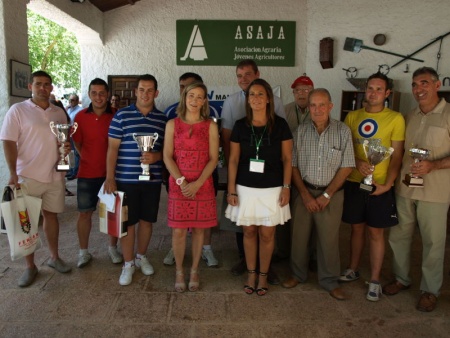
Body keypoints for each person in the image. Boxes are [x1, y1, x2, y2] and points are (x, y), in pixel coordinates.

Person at [385, 67, 450, 312]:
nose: (418, 89)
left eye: (423, 83)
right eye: (414, 84)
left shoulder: (448, 114)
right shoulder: (409, 115)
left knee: (433, 242)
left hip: (435, 192)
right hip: (406, 188)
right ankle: (401, 278)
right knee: (399, 236)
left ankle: (430, 290)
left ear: (436, 85)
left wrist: (434, 165)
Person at [0, 70, 72, 287]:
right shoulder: (18, 110)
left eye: (47, 84)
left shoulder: (59, 112)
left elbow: (63, 140)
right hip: (27, 175)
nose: (43, 88)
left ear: (51, 88)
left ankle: (54, 257)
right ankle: (30, 267)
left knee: (51, 217)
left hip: (54, 175)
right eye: (38, 84)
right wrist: (13, 173)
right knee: (27, 222)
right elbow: (8, 142)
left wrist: (65, 149)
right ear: (30, 86)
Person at [282, 88, 355, 300]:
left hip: (331, 195)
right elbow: (292, 166)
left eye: (322, 105)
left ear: (330, 106)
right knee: (299, 237)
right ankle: (297, 274)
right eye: (313, 105)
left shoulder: (342, 131)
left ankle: (330, 281)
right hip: (303, 191)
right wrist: (304, 194)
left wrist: (326, 195)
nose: (317, 109)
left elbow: (347, 166)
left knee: (328, 240)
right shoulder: (300, 132)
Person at [340, 73, 405, 302]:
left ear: (387, 94)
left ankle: (375, 279)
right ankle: (353, 268)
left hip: (379, 186)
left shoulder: (396, 119)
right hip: (354, 182)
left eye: (379, 89)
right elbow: (346, 150)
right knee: (356, 229)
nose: (373, 93)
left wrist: (388, 184)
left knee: (376, 232)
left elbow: (397, 156)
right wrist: (357, 163)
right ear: (365, 90)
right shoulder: (352, 117)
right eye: (370, 88)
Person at [225, 78, 292, 296]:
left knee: (267, 234)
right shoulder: (240, 125)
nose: (256, 98)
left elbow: (287, 159)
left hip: (272, 188)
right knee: (249, 232)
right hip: (245, 188)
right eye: (252, 94)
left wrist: (286, 187)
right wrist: (231, 189)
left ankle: (264, 275)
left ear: (269, 99)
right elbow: (233, 160)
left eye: (260, 94)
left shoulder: (280, 125)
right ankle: (251, 273)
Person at [105, 74, 167, 286]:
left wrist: (156, 156)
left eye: (150, 90)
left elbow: (168, 152)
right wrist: (110, 177)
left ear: (156, 93)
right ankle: (128, 263)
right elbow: (112, 149)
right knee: (128, 223)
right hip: (125, 179)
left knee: (147, 221)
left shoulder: (163, 119)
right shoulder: (121, 116)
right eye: (142, 90)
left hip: (152, 180)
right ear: (135, 92)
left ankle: (141, 256)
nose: (145, 94)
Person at [163, 82, 219, 292]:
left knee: (199, 230)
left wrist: (197, 184)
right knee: (178, 231)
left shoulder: (210, 126)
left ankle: (194, 269)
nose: (195, 101)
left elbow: (213, 159)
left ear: (205, 101)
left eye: (200, 97)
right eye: (191, 96)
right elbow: (167, 157)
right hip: (179, 185)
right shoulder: (172, 125)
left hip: (202, 185)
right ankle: (179, 270)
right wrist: (182, 182)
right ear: (184, 97)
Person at [72, 78, 123, 268]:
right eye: (94, 93)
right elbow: (77, 143)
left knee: (112, 213)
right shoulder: (80, 117)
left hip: (112, 174)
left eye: (102, 93)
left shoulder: (117, 115)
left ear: (108, 94)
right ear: (89, 94)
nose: (98, 97)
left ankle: (112, 248)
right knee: (85, 213)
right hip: (87, 174)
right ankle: (83, 252)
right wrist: (87, 157)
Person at [275, 74, 315, 265]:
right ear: (293, 92)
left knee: (308, 215)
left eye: (306, 90)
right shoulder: (285, 110)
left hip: (310, 168)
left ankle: (310, 254)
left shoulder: (317, 110)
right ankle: (283, 251)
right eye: (298, 90)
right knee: (284, 210)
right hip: (287, 167)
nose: (302, 93)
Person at [65, 94, 83, 180]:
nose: (70, 102)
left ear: (77, 100)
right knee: (70, 153)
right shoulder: (68, 110)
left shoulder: (80, 110)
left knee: (76, 153)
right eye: (69, 100)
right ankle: (70, 170)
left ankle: (75, 172)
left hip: (75, 133)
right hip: (68, 133)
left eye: (72, 100)